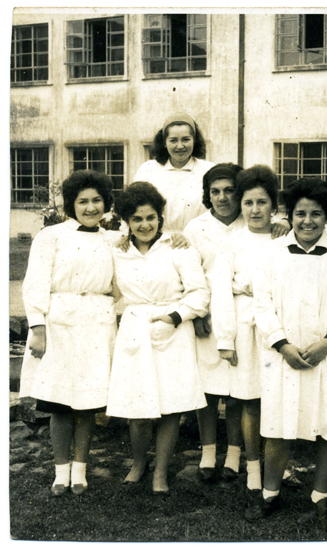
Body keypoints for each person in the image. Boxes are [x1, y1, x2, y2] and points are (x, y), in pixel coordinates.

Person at [247, 178, 327, 523]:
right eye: (300, 213)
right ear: (291, 215)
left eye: (316, 214)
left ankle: (320, 498)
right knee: (277, 425)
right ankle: (270, 495)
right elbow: (262, 306)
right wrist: (283, 345)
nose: (307, 221)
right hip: (283, 356)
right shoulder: (271, 253)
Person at [184, 164, 289, 484]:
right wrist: (205, 318)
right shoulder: (202, 230)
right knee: (214, 389)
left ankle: (236, 456)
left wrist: (283, 222)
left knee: (243, 394)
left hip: (260, 321)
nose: (222, 197)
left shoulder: (271, 231)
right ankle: (210, 454)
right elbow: (198, 276)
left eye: (230, 190)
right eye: (215, 191)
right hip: (216, 316)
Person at [106, 182, 210, 495]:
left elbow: (200, 293)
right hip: (136, 329)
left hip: (174, 328)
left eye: (151, 217)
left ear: (160, 216)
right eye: (137, 219)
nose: (145, 224)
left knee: (171, 407)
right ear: (126, 221)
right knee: (137, 410)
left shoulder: (178, 246)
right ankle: (139, 463)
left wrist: (176, 317)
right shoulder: (118, 251)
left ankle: (160, 472)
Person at [19, 170, 117, 496]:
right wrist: (38, 328)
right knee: (59, 403)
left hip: (97, 326)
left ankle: (80, 470)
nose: (90, 207)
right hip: (59, 324)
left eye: (96, 200)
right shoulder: (51, 236)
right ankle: (61, 471)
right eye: (83, 201)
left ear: (106, 203)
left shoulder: (114, 239)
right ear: (70, 204)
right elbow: (35, 284)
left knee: (86, 404)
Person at [210, 165, 280, 493]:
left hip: (278, 327)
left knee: (278, 397)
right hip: (244, 325)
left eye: (262, 202)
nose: (255, 210)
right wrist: (225, 338)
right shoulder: (232, 241)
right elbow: (221, 291)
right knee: (250, 399)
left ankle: (281, 463)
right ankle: (252, 467)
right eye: (249, 203)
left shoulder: (285, 237)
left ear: (273, 205)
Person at [133, 112, 214, 232]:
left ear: (194, 141)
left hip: (197, 238)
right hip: (156, 240)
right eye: (173, 140)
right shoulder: (148, 169)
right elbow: (133, 207)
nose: (180, 146)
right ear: (164, 142)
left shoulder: (209, 170)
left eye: (186, 139)